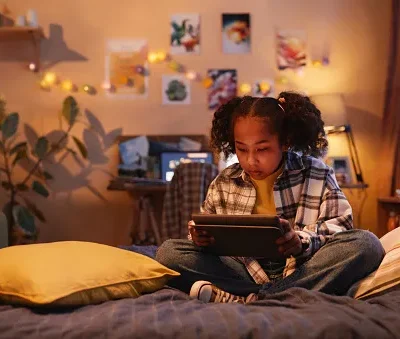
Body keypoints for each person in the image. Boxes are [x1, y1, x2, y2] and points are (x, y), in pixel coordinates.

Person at [156, 92, 384, 304]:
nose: (250, 161)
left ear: (284, 142)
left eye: (262, 149)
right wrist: (199, 237)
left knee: (367, 244)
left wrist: (301, 241)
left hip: (302, 267)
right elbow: (206, 227)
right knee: (169, 252)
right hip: (243, 269)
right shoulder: (225, 180)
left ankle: (253, 298)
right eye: (242, 149)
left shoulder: (317, 172)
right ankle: (284, 296)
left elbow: (340, 227)